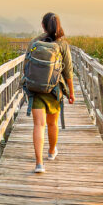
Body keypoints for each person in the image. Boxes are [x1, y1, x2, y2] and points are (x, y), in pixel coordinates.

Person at [27, 12, 74, 173]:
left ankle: (39, 163)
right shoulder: (62, 45)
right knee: (52, 123)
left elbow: (26, 64)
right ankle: (52, 152)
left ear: (43, 26)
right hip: (54, 90)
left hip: (36, 89)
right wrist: (71, 93)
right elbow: (68, 72)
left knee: (38, 125)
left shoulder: (34, 42)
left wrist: (26, 84)